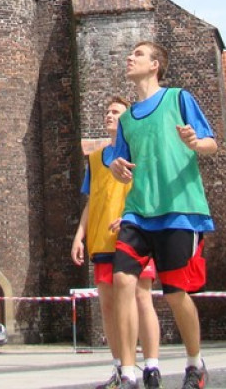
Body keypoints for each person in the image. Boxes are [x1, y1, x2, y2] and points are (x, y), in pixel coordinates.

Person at [106, 42, 218, 389]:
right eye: (130, 54)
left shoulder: (179, 99)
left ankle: (194, 363)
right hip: (138, 212)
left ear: (155, 65)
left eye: (138, 54)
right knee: (122, 280)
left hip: (179, 210)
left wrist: (195, 143)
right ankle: (128, 373)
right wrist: (116, 167)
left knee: (175, 293)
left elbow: (211, 143)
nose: (130, 57)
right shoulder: (127, 120)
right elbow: (119, 164)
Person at [71, 96, 163, 389]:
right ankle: (121, 368)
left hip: (135, 234)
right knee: (108, 307)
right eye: (107, 111)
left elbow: (150, 190)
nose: (109, 115)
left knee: (142, 298)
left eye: (115, 111)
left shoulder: (138, 150)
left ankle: (151, 366)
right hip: (102, 239)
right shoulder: (96, 158)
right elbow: (92, 199)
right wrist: (80, 235)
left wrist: (128, 217)